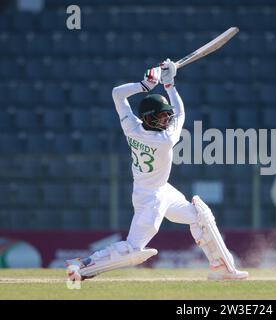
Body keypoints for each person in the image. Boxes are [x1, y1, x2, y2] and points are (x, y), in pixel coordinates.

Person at [66, 59, 248, 281]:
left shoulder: (131, 127)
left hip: (162, 190)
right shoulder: (165, 139)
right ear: (150, 117)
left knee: (200, 216)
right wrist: (169, 85)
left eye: (166, 115)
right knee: (133, 249)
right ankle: (81, 268)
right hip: (149, 197)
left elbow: (117, 94)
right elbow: (181, 113)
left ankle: (221, 268)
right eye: (162, 116)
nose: (167, 118)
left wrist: (143, 85)